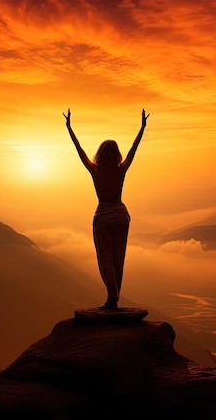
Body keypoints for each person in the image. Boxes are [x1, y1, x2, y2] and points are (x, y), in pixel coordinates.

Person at [63, 108, 149, 309]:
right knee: (119, 257)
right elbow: (133, 150)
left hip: (103, 215)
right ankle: (114, 298)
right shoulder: (122, 169)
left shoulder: (95, 170)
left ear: (100, 154)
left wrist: (69, 128)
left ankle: (112, 299)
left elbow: (80, 150)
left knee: (106, 258)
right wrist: (142, 127)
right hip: (121, 214)